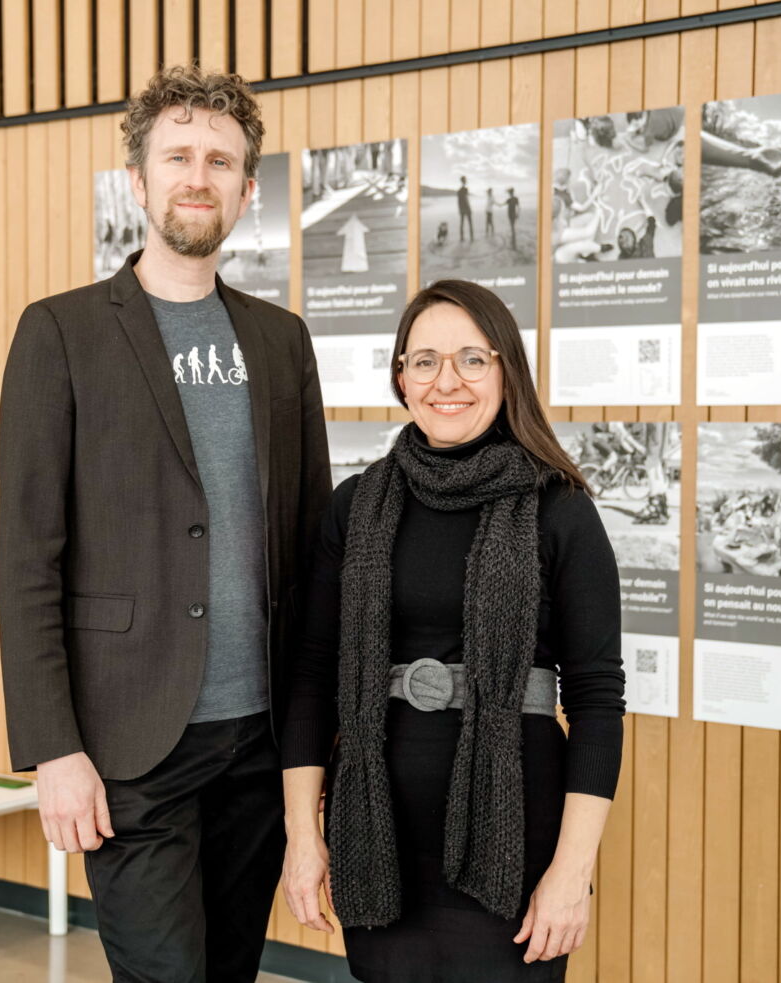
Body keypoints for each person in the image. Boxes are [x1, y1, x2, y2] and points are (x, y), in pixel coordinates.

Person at [0, 64, 332, 982]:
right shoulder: (59, 333)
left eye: (219, 161)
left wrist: (312, 743)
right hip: (128, 745)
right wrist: (52, 748)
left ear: (246, 190)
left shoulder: (278, 339)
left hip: (256, 742)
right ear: (137, 183)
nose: (198, 175)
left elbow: (306, 551)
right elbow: (26, 558)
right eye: (177, 156)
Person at [279, 279, 625, 980]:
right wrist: (301, 834)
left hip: (515, 830)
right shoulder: (356, 505)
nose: (447, 381)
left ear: (506, 373)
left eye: (473, 359)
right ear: (400, 375)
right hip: (376, 830)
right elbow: (313, 674)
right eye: (425, 360)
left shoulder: (559, 510)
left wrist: (570, 870)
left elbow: (595, 699)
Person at [457, 175, 474, 241]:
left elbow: (458, 201)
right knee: (470, 223)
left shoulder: (459, 190)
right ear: (464, 181)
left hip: (461, 209)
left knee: (462, 223)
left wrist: (459, 209)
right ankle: (471, 237)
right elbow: (466, 199)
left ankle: (461, 238)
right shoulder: (465, 189)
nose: (466, 181)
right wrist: (469, 208)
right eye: (465, 180)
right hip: (466, 208)